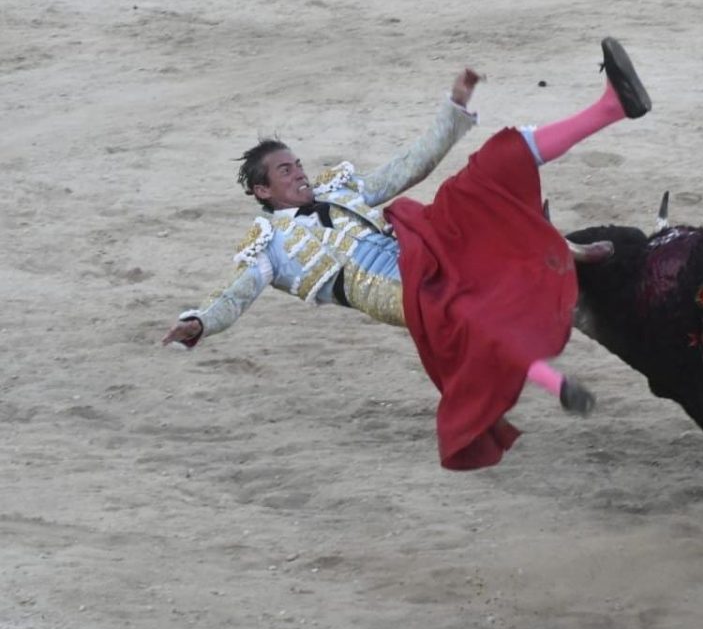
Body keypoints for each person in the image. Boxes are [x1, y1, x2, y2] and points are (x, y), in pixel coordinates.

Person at [162, 37, 650, 470]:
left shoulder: (341, 188)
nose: (299, 173)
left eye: (297, 164)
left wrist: (454, 110)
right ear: (262, 191)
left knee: (487, 171)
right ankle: (553, 375)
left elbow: (410, 166)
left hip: (416, 244)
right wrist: (201, 322)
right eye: (285, 171)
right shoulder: (268, 244)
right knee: (467, 314)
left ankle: (609, 108)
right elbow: (236, 294)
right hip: (385, 288)